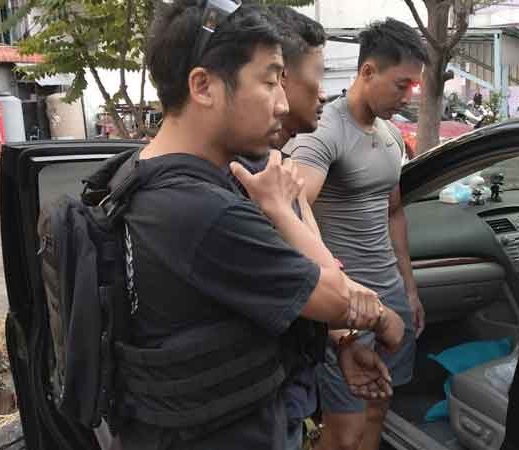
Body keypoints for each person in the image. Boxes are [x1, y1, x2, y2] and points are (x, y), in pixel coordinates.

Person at [112, 2, 405, 449]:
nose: (282, 103)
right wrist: (383, 319)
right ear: (203, 86)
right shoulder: (204, 211)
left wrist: (344, 342)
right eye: (269, 82)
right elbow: (333, 296)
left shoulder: (140, 173)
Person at [237, 6, 398, 449]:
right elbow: (324, 287)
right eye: (319, 75)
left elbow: (317, 254)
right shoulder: (247, 183)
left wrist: (344, 340)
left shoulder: (276, 169)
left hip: (282, 399)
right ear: (280, 78)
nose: (324, 93)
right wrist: (379, 316)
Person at [284, 18, 429, 450]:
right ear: (367, 71)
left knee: (379, 408)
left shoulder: (391, 136)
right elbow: (290, 216)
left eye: (413, 87)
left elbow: (394, 213)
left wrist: (409, 288)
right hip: (345, 307)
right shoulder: (324, 132)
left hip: (390, 296)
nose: (407, 97)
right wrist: (335, 311)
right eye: (401, 85)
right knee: (344, 435)